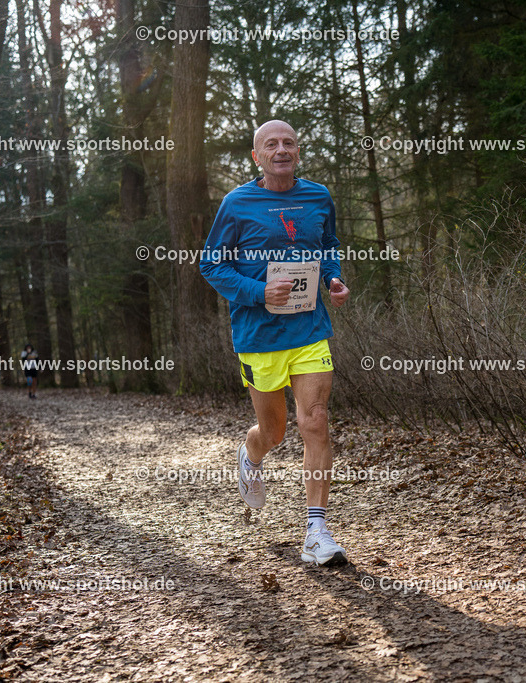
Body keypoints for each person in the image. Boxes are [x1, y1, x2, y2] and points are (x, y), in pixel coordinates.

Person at [200, 120, 351, 566]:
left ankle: (316, 532)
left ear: (298, 151)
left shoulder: (318, 196)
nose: (281, 149)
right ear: (257, 156)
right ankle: (251, 453)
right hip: (258, 335)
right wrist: (257, 291)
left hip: (309, 331)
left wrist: (334, 277)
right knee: (275, 432)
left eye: (288, 142)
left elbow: (328, 243)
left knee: (315, 421)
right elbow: (212, 266)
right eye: (271, 144)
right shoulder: (237, 203)